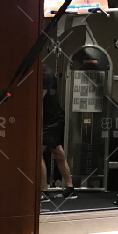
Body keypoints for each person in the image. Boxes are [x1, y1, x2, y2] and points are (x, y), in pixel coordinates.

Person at [41, 66, 75, 202]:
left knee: (37, 154)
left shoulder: (45, 74)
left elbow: (39, 98)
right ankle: (70, 188)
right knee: (58, 153)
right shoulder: (44, 73)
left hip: (52, 121)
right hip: (52, 119)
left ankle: (43, 191)